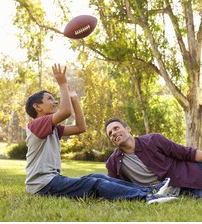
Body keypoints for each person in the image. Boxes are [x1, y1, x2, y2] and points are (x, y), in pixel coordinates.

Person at [24, 63, 177, 204]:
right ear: (37, 107)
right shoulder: (36, 124)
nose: (55, 101)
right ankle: (145, 197)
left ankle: (151, 190)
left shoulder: (52, 128)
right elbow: (65, 111)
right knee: (94, 184)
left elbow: (80, 128)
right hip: (42, 185)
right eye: (50, 99)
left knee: (96, 177)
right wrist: (62, 83)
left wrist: (75, 100)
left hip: (51, 180)